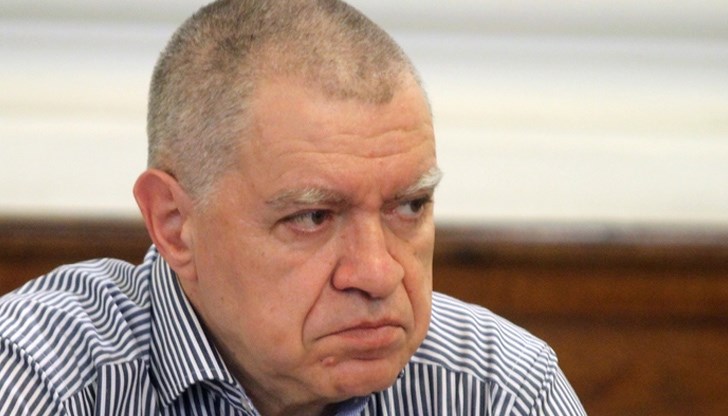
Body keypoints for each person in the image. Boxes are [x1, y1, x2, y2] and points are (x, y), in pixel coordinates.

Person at [0, 0, 586, 415]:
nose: (378, 274)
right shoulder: (46, 380)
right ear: (175, 225)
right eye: (312, 217)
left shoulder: (497, 391)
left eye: (409, 207)